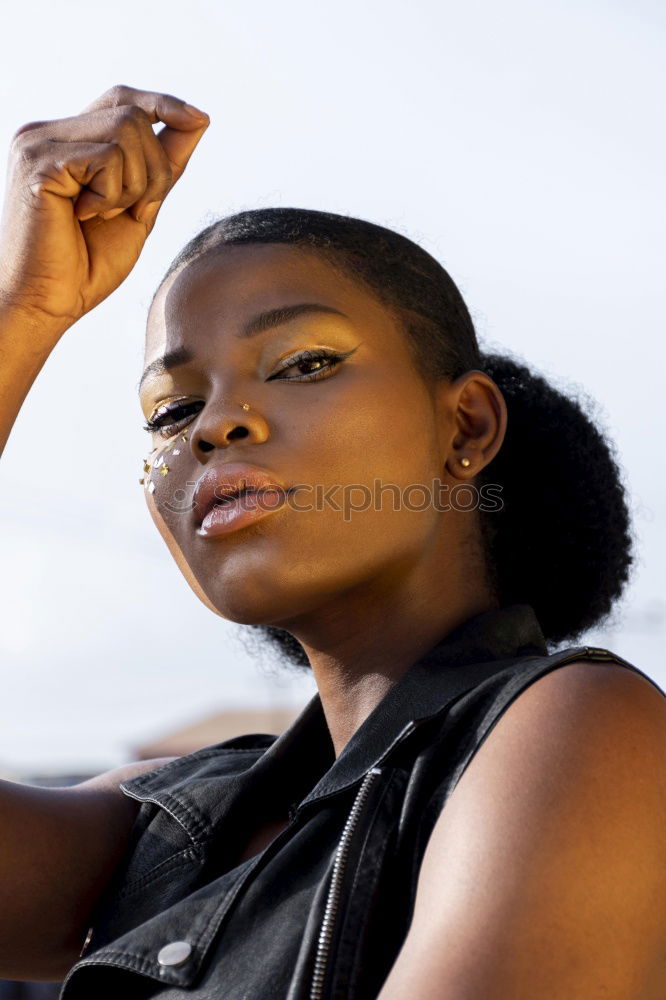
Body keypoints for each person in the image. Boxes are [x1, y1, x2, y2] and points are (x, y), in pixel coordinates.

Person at [0, 85, 664, 999]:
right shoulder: (172, 824)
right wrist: (23, 310)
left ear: (465, 427)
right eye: (173, 408)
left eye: (305, 363)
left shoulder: (575, 730)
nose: (214, 425)